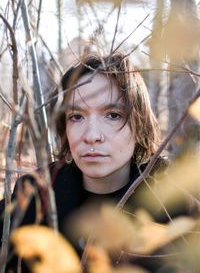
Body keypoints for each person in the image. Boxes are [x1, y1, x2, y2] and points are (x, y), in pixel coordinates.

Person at [0, 53, 168, 272]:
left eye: (113, 115)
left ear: (140, 124)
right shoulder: (35, 194)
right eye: (76, 116)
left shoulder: (174, 203)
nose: (92, 135)